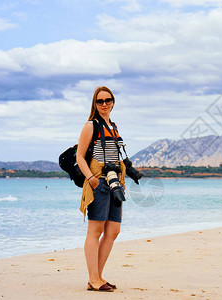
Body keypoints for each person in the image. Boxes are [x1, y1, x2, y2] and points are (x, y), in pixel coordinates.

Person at [76, 86, 125, 292]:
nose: (104, 104)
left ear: (113, 102)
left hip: (114, 184)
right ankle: (93, 279)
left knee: (113, 230)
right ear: (94, 104)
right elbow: (80, 156)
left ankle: (97, 276)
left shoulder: (113, 126)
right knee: (95, 231)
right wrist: (92, 179)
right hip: (98, 183)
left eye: (107, 100)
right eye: (100, 101)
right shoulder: (91, 125)